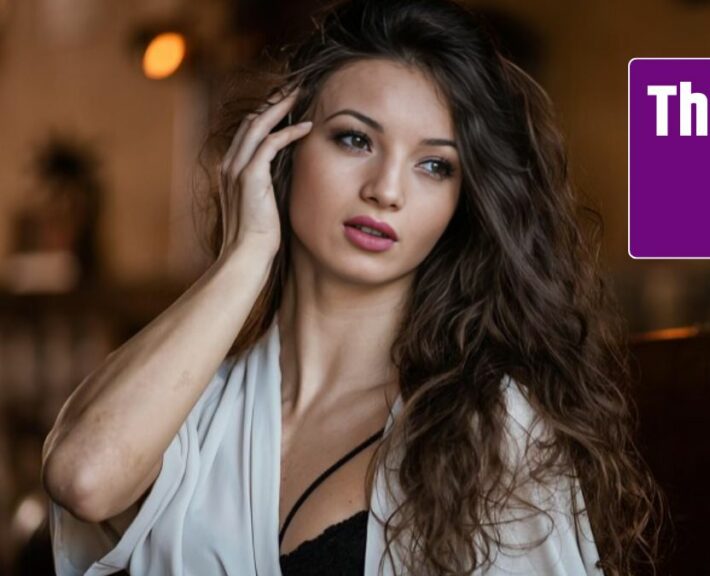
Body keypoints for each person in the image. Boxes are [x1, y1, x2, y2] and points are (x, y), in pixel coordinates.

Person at [41, 0, 664, 574]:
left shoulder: (491, 428)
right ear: (280, 147)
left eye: (434, 165)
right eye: (355, 138)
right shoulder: (196, 410)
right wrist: (243, 256)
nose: (387, 189)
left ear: (460, 203)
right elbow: (82, 476)